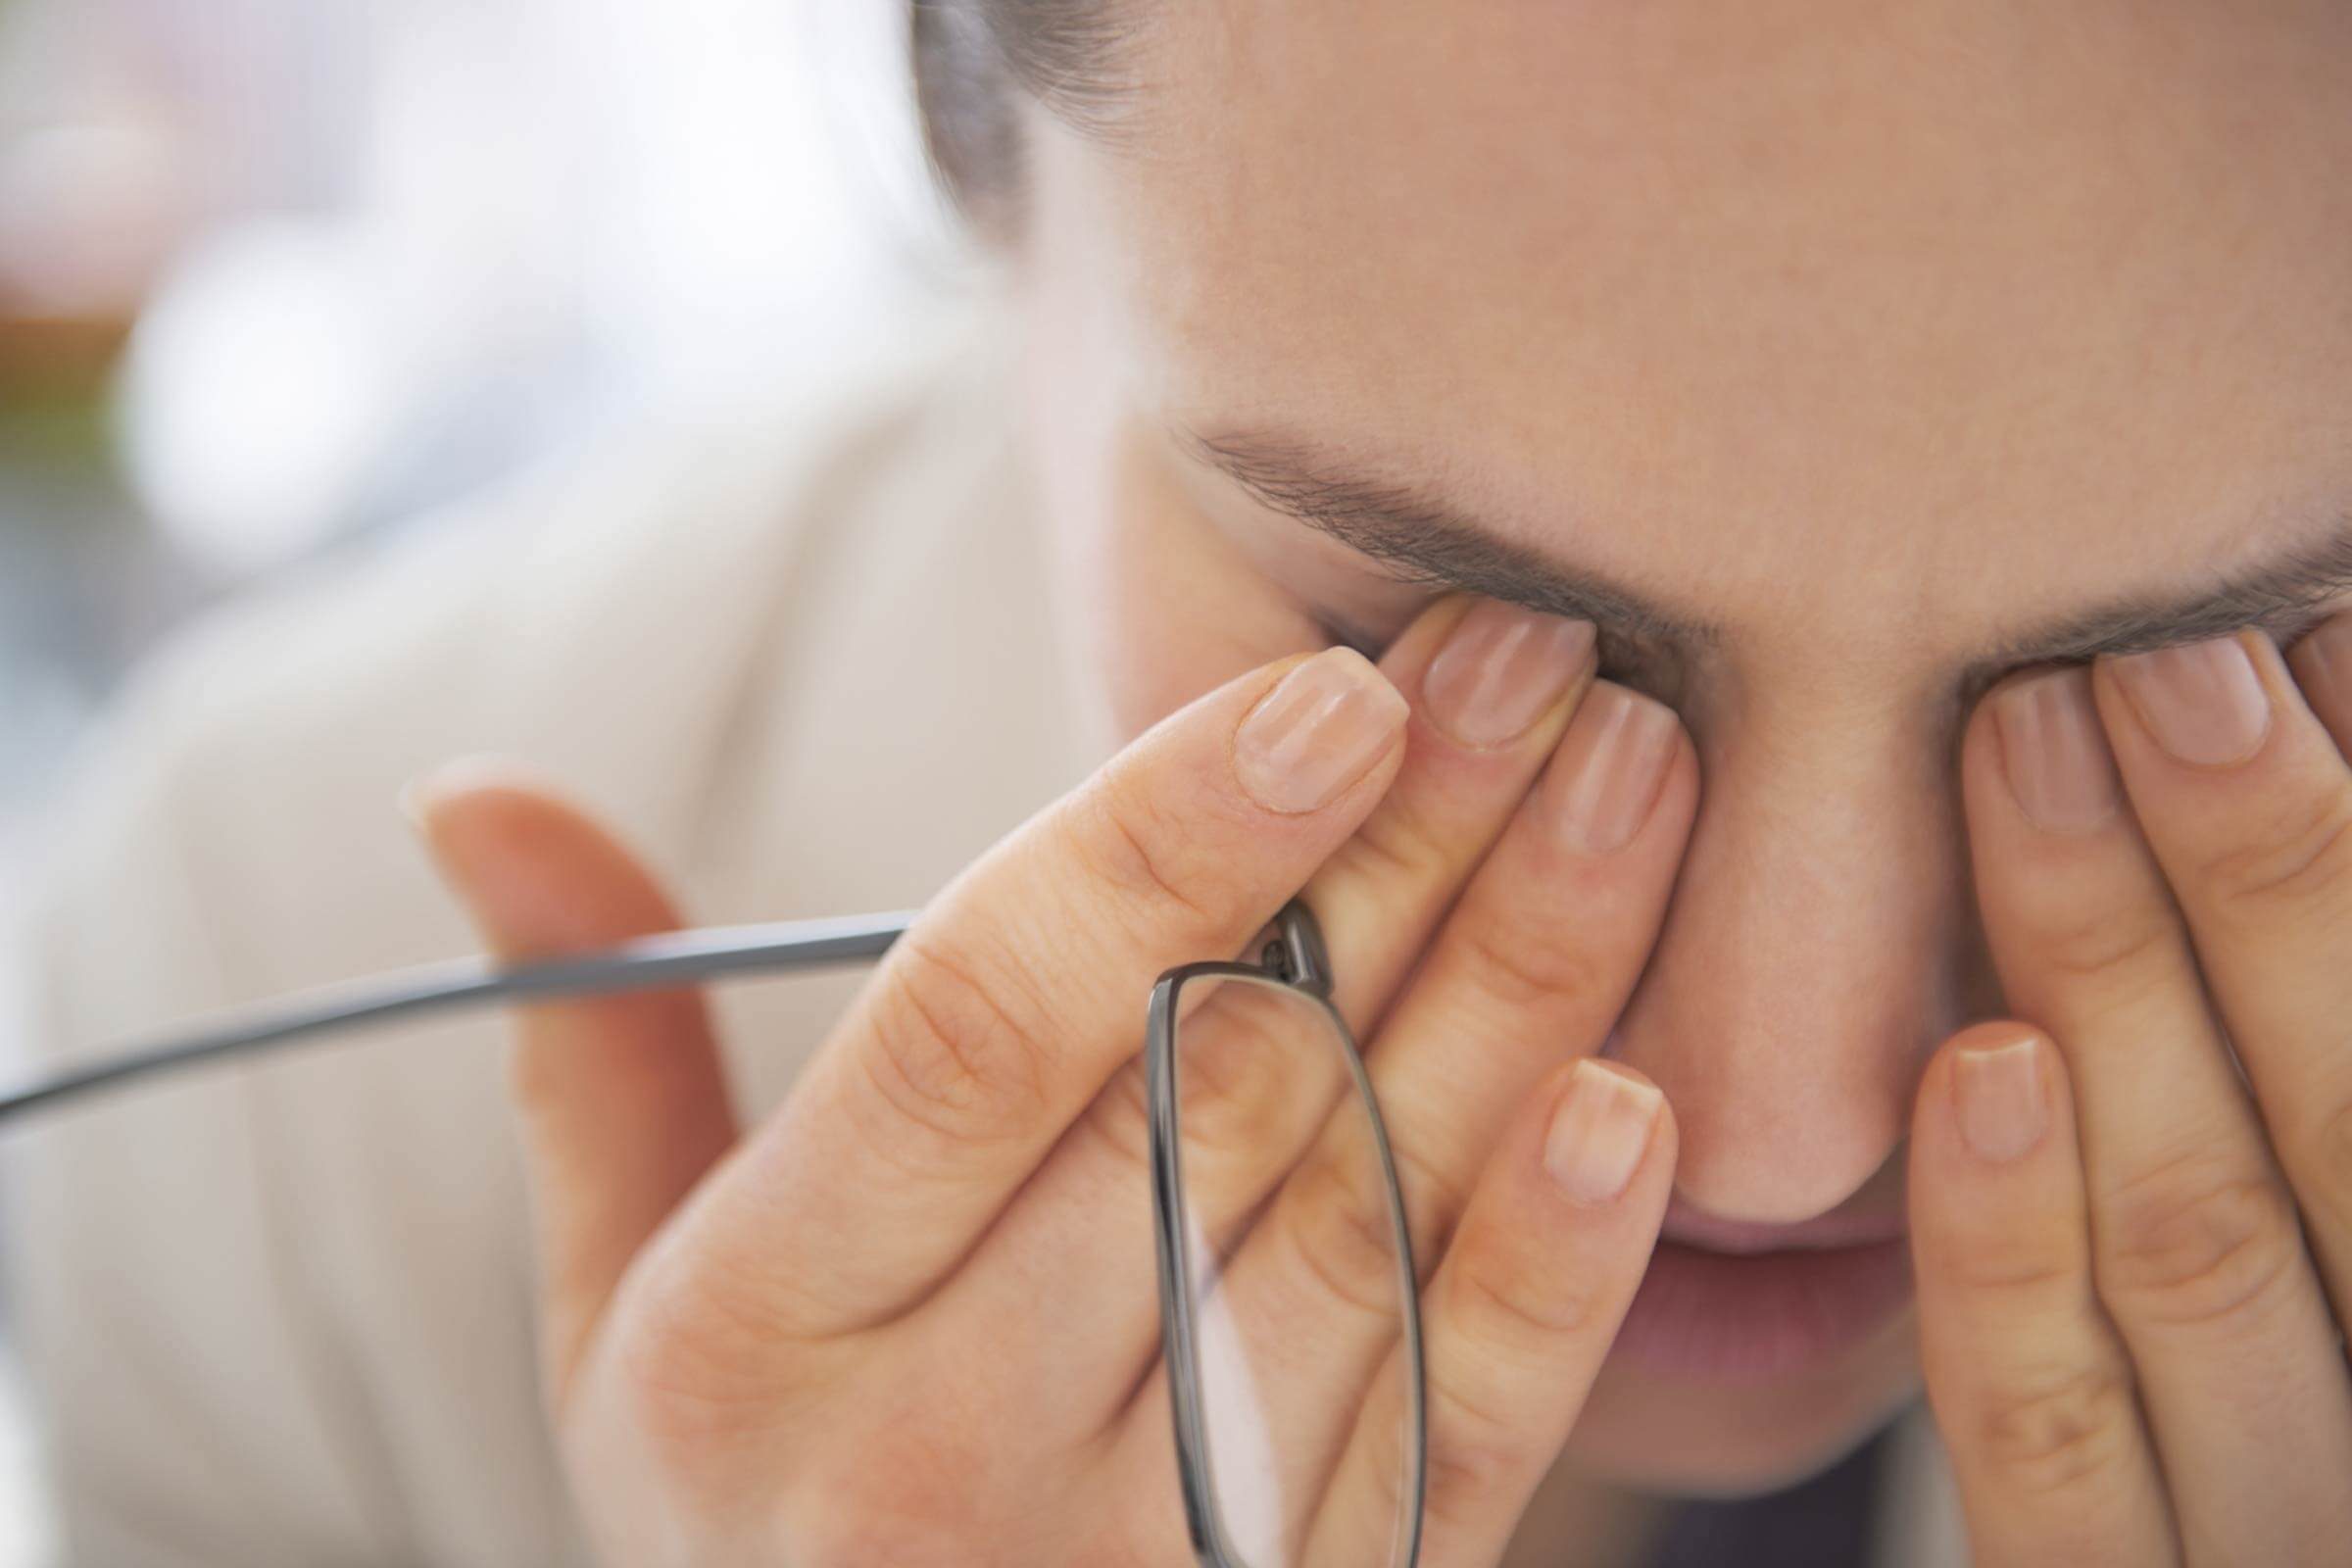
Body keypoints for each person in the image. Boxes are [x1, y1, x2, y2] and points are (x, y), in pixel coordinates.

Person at [12, 3, 2352, 1563]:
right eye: (1445, 643)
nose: (1773, 1135)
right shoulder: (255, 1083)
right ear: (979, 174)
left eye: (2213, 675)